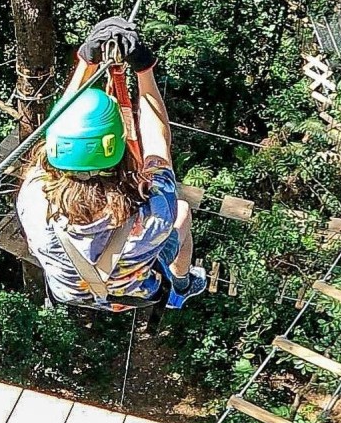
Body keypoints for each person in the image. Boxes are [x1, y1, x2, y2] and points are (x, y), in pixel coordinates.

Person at [16, 17, 206, 310]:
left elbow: (58, 130)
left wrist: (85, 61)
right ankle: (181, 283)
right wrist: (144, 69)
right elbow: (157, 143)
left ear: (56, 149)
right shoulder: (155, 212)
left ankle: (177, 282)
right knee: (181, 211)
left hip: (70, 291)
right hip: (135, 291)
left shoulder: (34, 202)